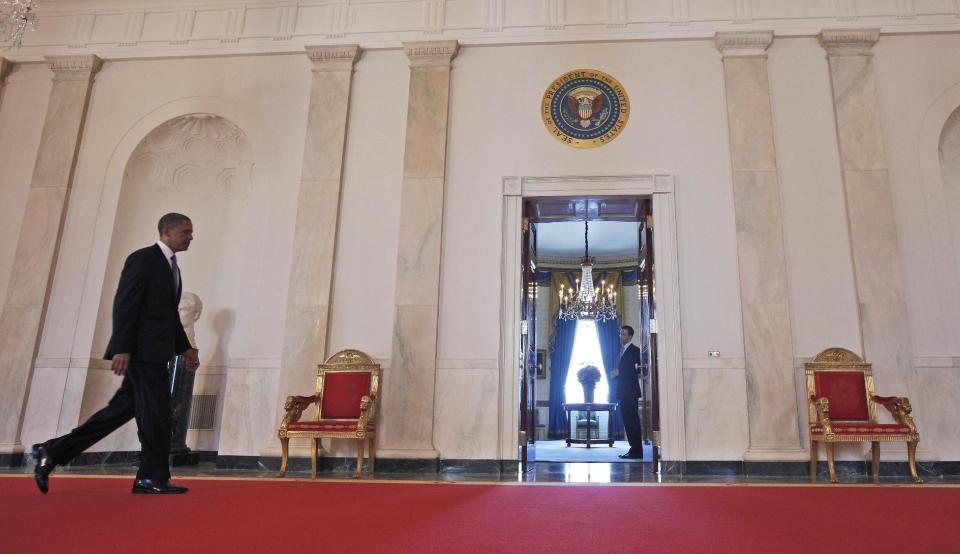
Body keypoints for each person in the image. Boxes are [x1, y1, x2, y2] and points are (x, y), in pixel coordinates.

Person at [32, 213, 200, 494]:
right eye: (186, 232)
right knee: (156, 415)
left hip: (156, 353)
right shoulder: (143, 259)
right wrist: (122, 348)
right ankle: (151, 477)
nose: (190, 237)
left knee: (117, 413)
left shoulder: (172, 267)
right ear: (167, 232)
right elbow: (125, 304)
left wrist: (185, 348)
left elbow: (168, 315)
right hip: (142, 354)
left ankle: (52, 450)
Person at [611, 325, 643, 460]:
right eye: (620, 334)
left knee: (632, 421)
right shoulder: (622, 350)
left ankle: (636, 450)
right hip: (624, 391)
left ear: (630, 337)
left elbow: (637, 370)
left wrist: (619, 372)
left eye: (624, 334)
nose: (621, 336)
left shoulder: (635, 350)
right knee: (628, 421)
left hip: (630, 391)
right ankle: (633, 448)